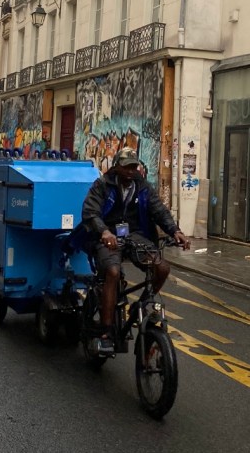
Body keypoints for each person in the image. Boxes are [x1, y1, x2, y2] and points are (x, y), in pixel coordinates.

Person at [81, 146, 190, 353]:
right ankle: (106, 331)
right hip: (107, 237)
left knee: (162, 268)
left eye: (134, 167)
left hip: (133, 236)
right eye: (126, 167)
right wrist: (104, 232)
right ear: (117, 168)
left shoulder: (142, 187)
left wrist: (175, 230)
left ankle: (140, 304)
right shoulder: (102, 185)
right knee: (112, 272)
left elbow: (159, 210)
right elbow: (90, 212)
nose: (131, 171)